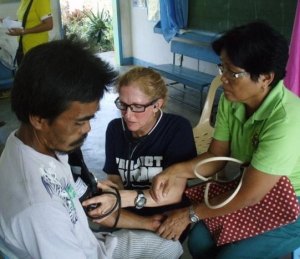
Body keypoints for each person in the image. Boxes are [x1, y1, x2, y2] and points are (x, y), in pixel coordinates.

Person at [0, 39, 183, 259]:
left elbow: (82, 196)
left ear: (158, 104)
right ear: (39, 119)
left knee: (171, 246)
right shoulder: (38, 210)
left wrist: (144, 221)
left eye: (91, 117)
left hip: (92, 243)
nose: (88, 128)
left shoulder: (43, 147)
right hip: (87, 249)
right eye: (80, 121)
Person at [148, 21, 300, 258]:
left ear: (266, 78)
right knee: (198, 241)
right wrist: (173, 172)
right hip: (252, 189)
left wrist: (190, 213)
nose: (223, 79)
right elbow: (215, 159)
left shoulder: (286, 120)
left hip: (291, 204)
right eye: (223, 69)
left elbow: (251, 195)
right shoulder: (232, 101)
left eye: (233, 73)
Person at [81, 66, 197, 241]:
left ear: (157, 105)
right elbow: (115, 178)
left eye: (137, 107)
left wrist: (121, 198)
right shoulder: (114, 129)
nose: (128, 115)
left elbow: (173, 194)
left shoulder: (177, 128)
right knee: (97, 213)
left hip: (166, 214)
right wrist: (108, 192)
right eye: (123, 105)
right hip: (131, 211)